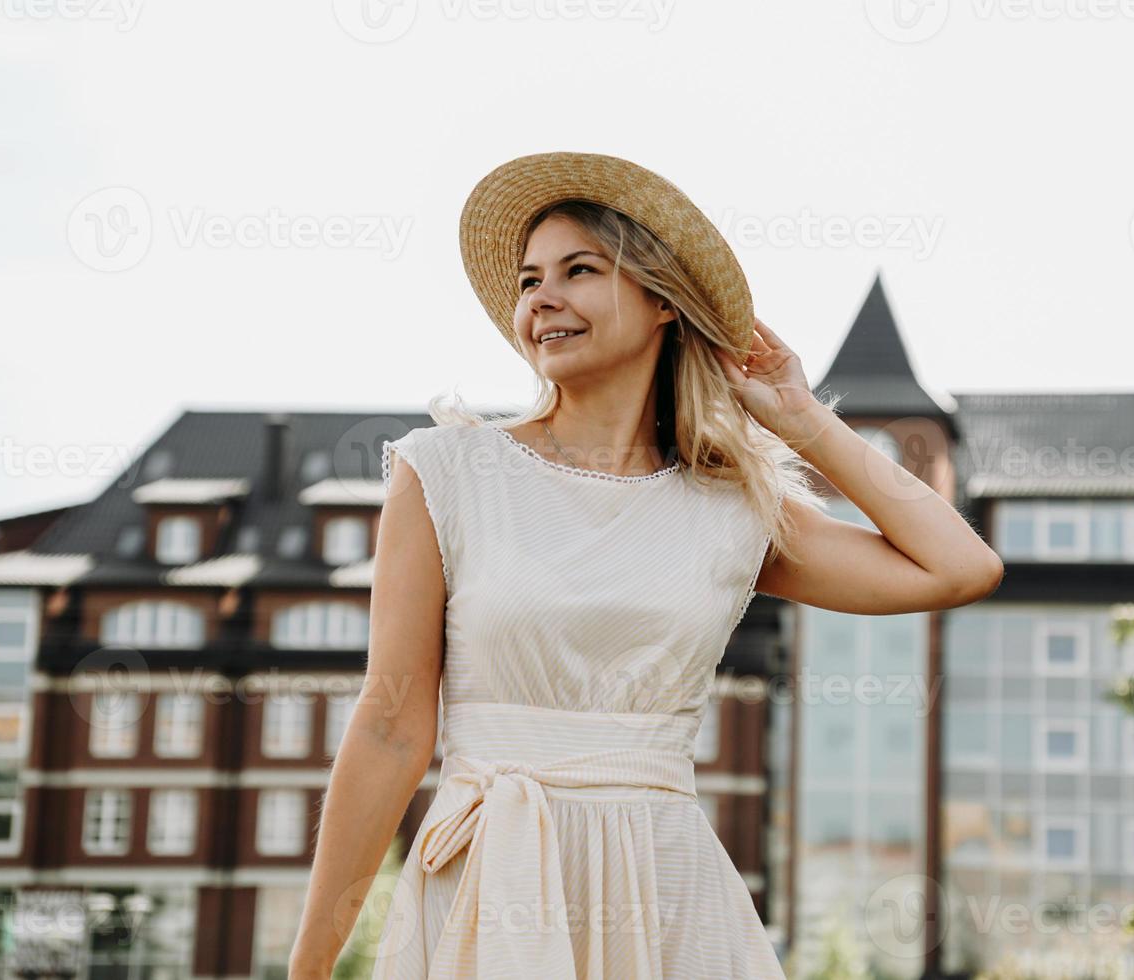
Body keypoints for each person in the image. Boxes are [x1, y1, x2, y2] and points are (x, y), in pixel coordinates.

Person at [288, 151, 1005, 978]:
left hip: (668, 896)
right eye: (528, 282)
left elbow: (961, 568)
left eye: (579, 270)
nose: (541, 300)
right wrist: (309, 968)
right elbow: (388, 726)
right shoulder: (446, 471)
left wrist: (803, 418)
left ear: (663, 299)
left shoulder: (733, 508)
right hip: (491, 884)